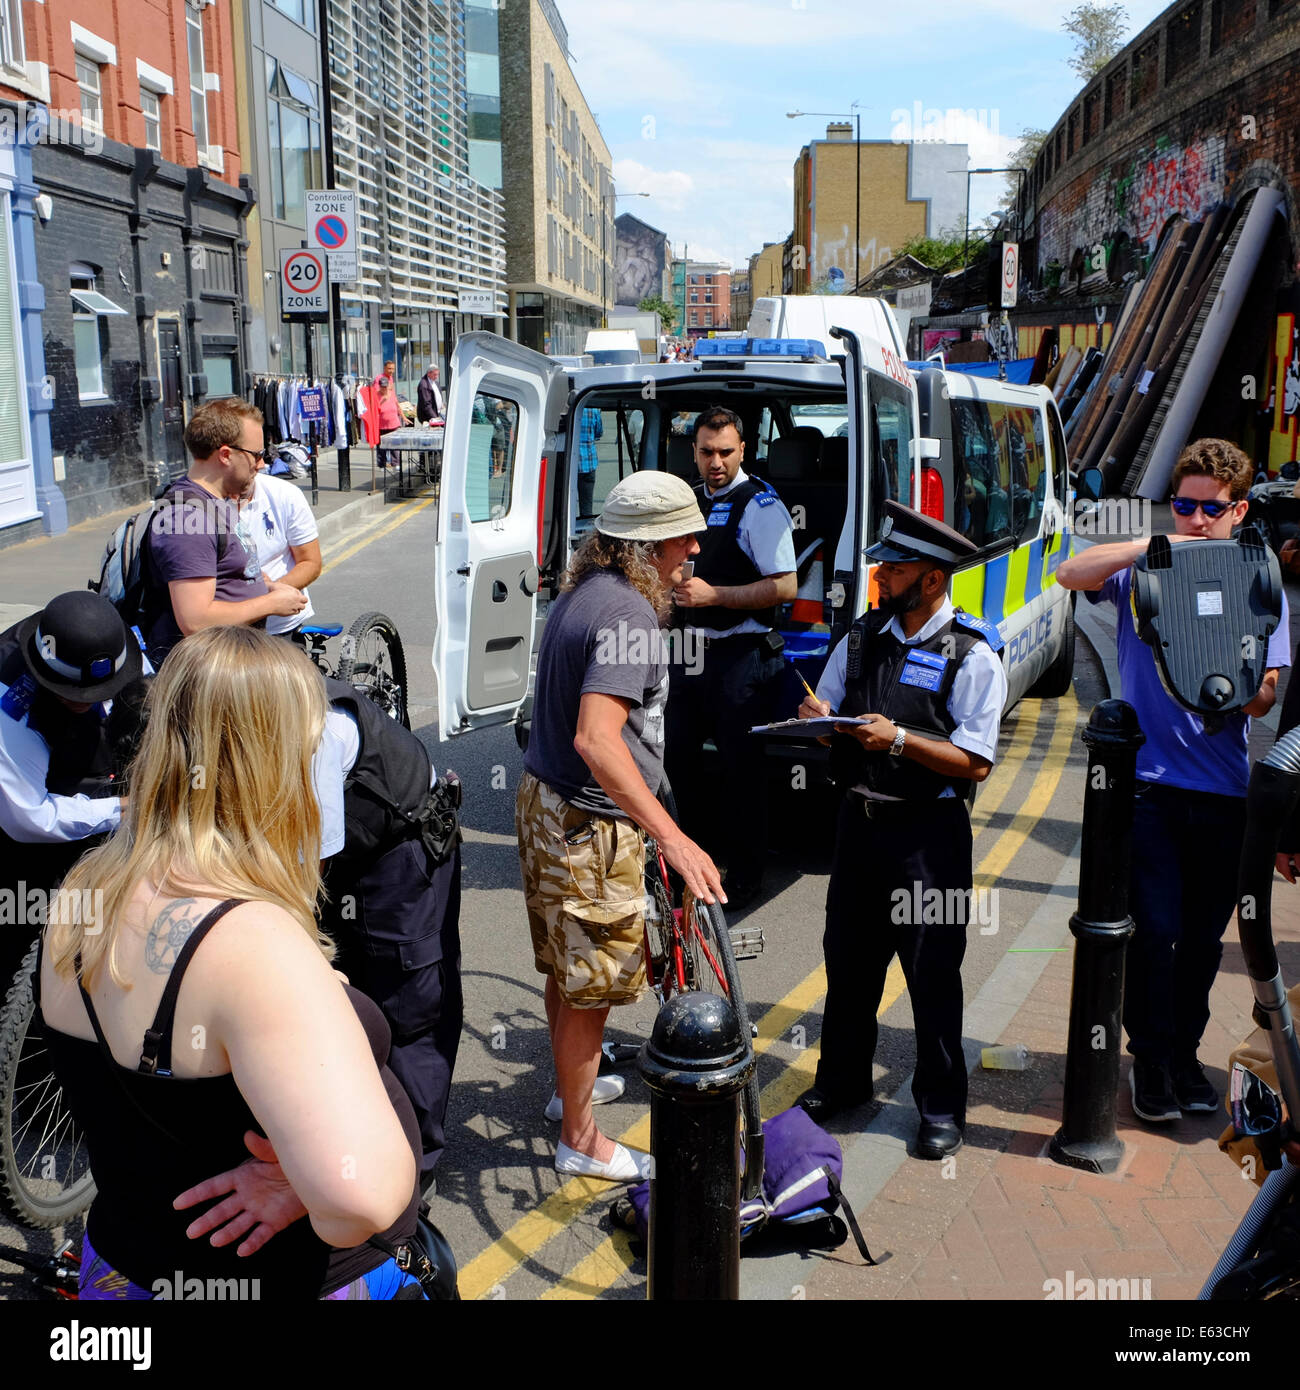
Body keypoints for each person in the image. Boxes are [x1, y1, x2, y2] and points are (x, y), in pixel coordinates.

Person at [38, 626, 424, 1300]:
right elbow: (361, 1201)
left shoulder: (82, 893)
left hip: (121, 1268)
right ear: (274, 763)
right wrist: (299, 1180)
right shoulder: (252, 941)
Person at [1058, 437, 1290, 1124]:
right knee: (1152, 933)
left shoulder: (1258, 576)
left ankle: (1185, 1056)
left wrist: (1229, 674)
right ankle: (1150, 1060)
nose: (1193, 519)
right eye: (1183, 507)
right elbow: (1072, 572)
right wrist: (1146, 547)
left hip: (1222, 793)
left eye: (1208, 510)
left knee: (1198, 944)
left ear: (1239, 510)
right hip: (1149, 789)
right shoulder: (1145, 572)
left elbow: (1267, 695)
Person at [517, 472, 724, 1182]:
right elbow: (598, 740)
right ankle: (581, 1136)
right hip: (591, 823)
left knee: (564, 966)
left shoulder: (583, 592)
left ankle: (565, 1096)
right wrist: (671, 833)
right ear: (646, 546)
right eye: (680, 539)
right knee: (596, 983)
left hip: (546, 805)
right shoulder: (631, 615)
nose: (692, 549)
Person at [796, 500, 1007, 1159]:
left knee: (931, 973)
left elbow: (974, 762)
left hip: (929, 841)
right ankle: (841, 1084)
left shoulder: (972, 655)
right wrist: (816, 713)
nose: (880, 575)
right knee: (849, 966)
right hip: (859, 830)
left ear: (933, 578)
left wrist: (898, 740)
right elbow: (824, 700)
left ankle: (940, 1108)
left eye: (894, 567)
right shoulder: (862, 637)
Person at [314, 677, 464, 1192]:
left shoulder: (318, 733)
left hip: (402, 859)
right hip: (352, 853)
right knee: (343, 1001)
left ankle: (409, 1178)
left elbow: (311, 859)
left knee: (409, 1017)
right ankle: (353, 1143)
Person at [664, 405, 797, 908]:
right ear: (694, 452)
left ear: (743, 450)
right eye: (705, 452)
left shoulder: (760, 506)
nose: (715, 462)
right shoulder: (690, 499)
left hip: (739, 656)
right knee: (676, 765)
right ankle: (684, 871)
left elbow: (785, 585)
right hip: (687, 654)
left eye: (724, 452)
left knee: (743, 773)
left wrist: (715, 596)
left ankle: (743, 878)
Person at [0, 591, 143, 985]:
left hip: (95, 780)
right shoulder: (10, 710)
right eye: (72, 693)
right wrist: (120, 809)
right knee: (21, 930)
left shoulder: (121, 645)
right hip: (26, 831)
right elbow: (30, 818)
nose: (86, 701)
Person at [142, 398, 306, 668]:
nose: (262, 464)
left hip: (236, 664)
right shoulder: (186, 519)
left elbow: (226, 575)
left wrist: (265, 585)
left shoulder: (217, 502)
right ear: (226, 455)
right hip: (213, 679)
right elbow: (195, 620)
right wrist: (270, 603)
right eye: (256, 454)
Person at [240, 460, 322, 638]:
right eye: (254, 455)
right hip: (227, 633)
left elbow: (311, 562)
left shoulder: (285, 494)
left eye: (261, 454)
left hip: (281, 628)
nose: (261, 464)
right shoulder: (197, 505)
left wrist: (273, 589)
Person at [576, 405, 603, 518]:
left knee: (565, 501)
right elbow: (599, 433)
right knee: (586, 504)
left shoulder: (566, 407)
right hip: (589, 462)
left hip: (570, 463)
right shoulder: (594, 410)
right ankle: (585, 531)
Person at [375, 364, 402, 467]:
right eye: (389, 368)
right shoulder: (378, 383)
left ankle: (395, 463)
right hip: (381, 424)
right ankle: (382, 463)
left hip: (393, 422)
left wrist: (402, 416)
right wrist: (383, 400)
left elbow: (396, 403)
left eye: (393, 369)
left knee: (394, 444)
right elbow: (374, 406)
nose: (391, 371)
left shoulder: (391, 384)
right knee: (382, 444)